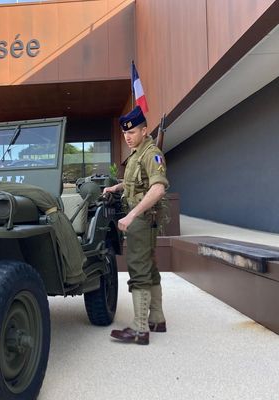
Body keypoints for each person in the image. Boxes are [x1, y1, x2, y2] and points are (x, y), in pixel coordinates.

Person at [103, 106, 169, 345]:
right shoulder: (137, 153)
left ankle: (140, 329)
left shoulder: (152, 153)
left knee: (138, 269)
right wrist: (116, 187)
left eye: (132, 132)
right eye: (124, 133)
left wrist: (131, 216)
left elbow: (158, 188)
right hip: (143, 217)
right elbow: (135, 182)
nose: (127, 136)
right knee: (149, 268)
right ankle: (156, 318)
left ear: (143, 130)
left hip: (142, 218)